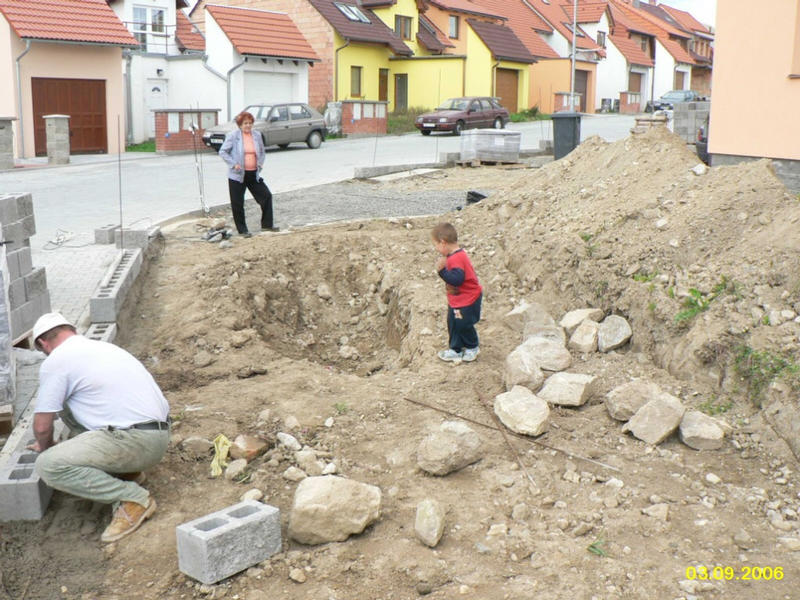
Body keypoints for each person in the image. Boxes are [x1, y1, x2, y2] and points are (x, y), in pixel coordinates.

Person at [30, 312, 170, 543]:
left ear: (43, 343)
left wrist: (47, 448)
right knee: (68, 402)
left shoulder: (56, 361)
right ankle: (127, 471)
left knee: (48, 466)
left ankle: (133, 499)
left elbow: (42, 427)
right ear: (71, 331)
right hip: (158, 435)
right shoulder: (104, 349)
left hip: (136, 441)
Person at [218, 110, 278, 237]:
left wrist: (260, 164)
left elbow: (262, 152)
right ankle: (242, 230)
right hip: (237, 176)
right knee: (238, 203)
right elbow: (223, 152)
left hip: (253, 174)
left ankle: (267, 225)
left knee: (266, 195)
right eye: (245, 123)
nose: (248, 126)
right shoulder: (233, 136)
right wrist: (234, 164)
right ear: (240, 125)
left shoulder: (256, 135)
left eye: (250, 123)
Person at [431, 222, 483, 362]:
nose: (436, 249)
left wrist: (442, 272)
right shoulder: (453, 256)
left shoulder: (457, 258)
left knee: (464, 323)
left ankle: (472, 346)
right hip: (458, 300)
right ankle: (455, 349)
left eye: (436, 245)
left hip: (468, 299)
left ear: (443, 242)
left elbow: (457, 280)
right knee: (453, 323)